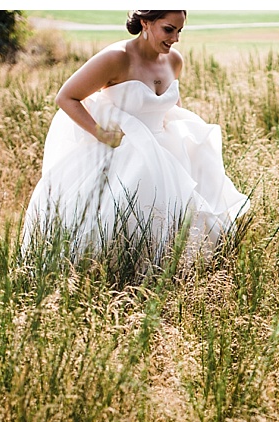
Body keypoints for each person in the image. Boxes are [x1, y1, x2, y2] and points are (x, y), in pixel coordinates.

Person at [22, 10, 250, 271]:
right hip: (121, 153)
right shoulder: (116, 58)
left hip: (165, 152)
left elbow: (170, 102)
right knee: (112, 226)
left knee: (182, 219)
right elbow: (66, 97)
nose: (175, 38)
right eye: (168, 29)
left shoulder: (174, 60)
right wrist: (99, 132)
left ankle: (167, 276)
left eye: (179, 31)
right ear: (145, 23)